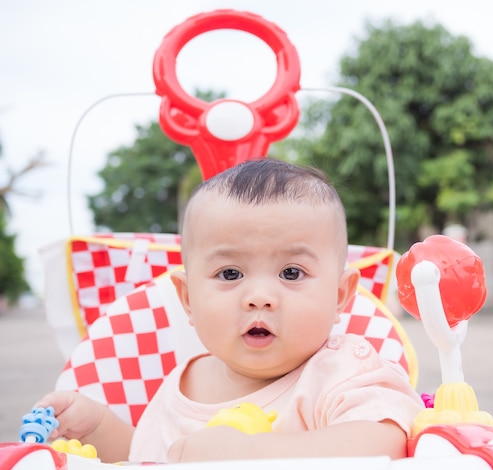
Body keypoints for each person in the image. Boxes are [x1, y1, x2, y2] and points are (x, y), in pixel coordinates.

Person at [36, 158, 424, 463]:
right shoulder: (179, 387)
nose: (259, 296)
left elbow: (383, 443)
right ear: (187, 299)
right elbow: (149, 459)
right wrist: (97, 428)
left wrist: (248, 455)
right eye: (230, 272)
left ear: (341, 296)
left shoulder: (343, 374)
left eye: (291, 272)